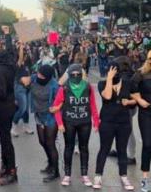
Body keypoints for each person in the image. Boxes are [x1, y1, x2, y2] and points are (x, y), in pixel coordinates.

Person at [52, 64, 99, 187]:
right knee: (69, 147)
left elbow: (92, 104)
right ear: (69, 75)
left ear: (81, 74)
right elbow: (56, 106)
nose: (76, 76)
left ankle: (84, 174)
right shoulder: (64, 88)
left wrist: (96, 121)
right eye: (73, 75)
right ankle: (67, 175)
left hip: (85, 121)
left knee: (84, 147)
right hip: (69, 122)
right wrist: (60, 123)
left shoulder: (88, 87)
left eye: (78, 74)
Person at [93, 62, 136, 190]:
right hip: (107, 121)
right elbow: (107, 96)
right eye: (111, 71)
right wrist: (110, 79)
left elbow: (136, 99)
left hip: (124, 122)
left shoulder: (128, 84)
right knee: (104, 149)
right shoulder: (102, 84)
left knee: (122, 150)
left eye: (116, 71)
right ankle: (98, 176)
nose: (114, 73)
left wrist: (129, 101)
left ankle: (124, 176)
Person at [0, 25, 18, 186]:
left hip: (3, 108)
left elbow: (0, 92)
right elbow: (11, 52)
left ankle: (11, 172)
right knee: (3, 140)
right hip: (9, 105)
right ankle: (4, 166)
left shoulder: (0, 72)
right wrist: (7, 35)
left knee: (6, 140)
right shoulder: (10, 65)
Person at [29, 65, 60, 183]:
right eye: (38, 73)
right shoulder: (34, 78)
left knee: (50, 143)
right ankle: (50, 164)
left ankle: (55, 171)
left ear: (47, 76)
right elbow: (23, 80)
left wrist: (57, 107)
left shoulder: (54, 85)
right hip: (39, 115)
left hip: (50, 117)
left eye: (41, 75)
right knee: (42, 141)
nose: (38, 76)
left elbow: (61, 99)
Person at [131, 50, 151, 192]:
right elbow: (131, 88)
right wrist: (139, 99)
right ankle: (145, 179)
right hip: (146, 113)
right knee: (148, 144)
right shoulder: (141, 73)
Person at [11, 42, 33, 137]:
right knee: (22, 108)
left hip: (28, 88)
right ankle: (14, 125)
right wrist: (21, 47)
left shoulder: (27, 65)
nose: (26, 56)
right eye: (25, 55)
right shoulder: (17, 65)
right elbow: (20, 58)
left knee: (26, 109)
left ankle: (26, 125)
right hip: (20, 88)